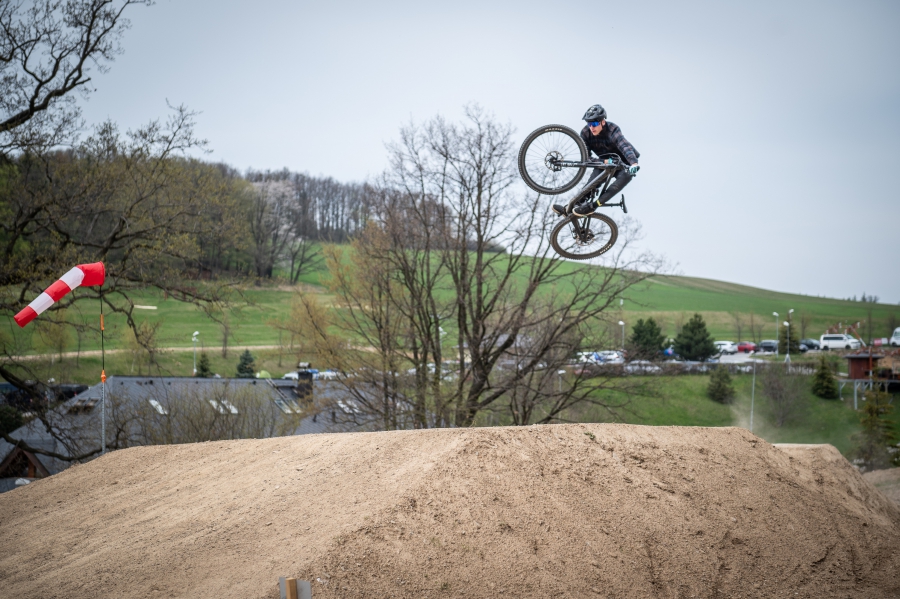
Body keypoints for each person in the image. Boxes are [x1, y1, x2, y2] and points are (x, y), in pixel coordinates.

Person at [553, 104, 640, 217]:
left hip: (624, 163)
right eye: (589, 124)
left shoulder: (612, 130)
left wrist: (633, 163)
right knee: (591, 185)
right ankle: (572, 207)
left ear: (603, 122)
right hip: (605, 163)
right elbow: (586, 158)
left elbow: (624, 146)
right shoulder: (585, 133)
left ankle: (593, 206)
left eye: (594, 124)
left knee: (626, 176)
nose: (591, 127)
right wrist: (603, 162)